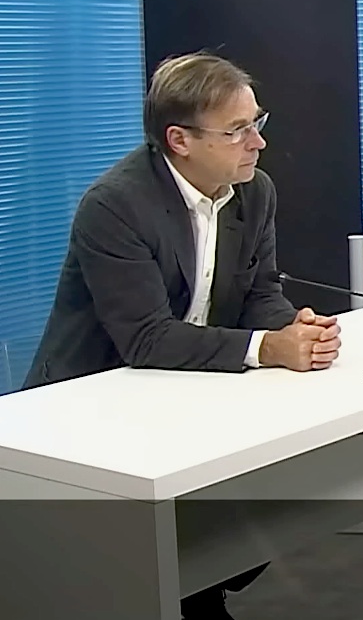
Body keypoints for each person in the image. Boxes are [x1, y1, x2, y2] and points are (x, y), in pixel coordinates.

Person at [23, 51, 342, 619]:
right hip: (90, 409)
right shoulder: (116, 206)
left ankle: (199, 591)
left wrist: (293, 326)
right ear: (180, 140)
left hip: (184, 389)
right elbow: (146, 340)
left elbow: (258, 291)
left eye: (256, 122)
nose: (258, 142)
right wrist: (267, 349)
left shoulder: (254, 191)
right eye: (237, 130)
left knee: (253, 509)